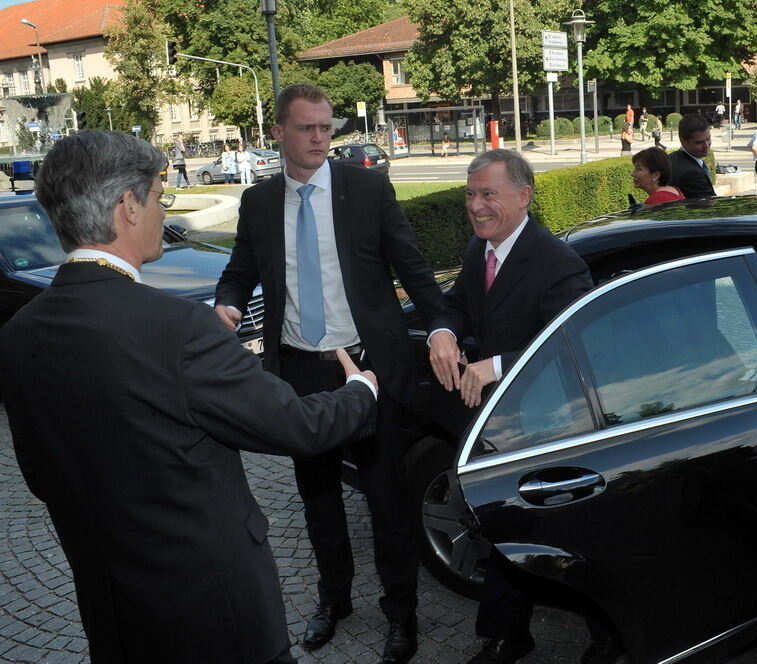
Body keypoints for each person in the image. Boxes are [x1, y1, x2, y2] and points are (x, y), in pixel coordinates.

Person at [0, 130, 378, 664]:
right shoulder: (177, 327)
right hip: (216, 612)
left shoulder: (19, 334)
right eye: (160, 195)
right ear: (127, 207)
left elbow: (40, 475)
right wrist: (362, 389)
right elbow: (298, 426)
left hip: (114, 611)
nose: (163, 209)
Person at [214, 83, 448, 664]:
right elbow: (241, 269)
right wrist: (228, 303)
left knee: (387, 501)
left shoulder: (366, 187)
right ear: (278, 135)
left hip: (368, 369)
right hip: (299, 373)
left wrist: (441, 326)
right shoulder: (259, 202)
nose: (321, 138)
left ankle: (401, 613)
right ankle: (333, 600)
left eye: (327, 127)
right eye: (307, 128)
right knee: (317, 499)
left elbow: (413, 267)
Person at [426, 150, 613, 664]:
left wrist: (497, 365)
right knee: (502, 528)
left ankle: (610, 637)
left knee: (566, 537)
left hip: (548, 425)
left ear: (523, 196)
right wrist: (442, 333)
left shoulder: (557, 263)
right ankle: (508, 634)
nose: (476, 205)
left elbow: (573, 346)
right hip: (494, 423)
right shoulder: (478, 250)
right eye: (470, 194)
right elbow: (458, 304)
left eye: (488, 194)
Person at [668, 113, 716, 199]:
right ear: (683, 141)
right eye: (699, 142)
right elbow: (709, 206)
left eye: (708, 139)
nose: (706, 145)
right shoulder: (693, 174)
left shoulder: (671, 158)